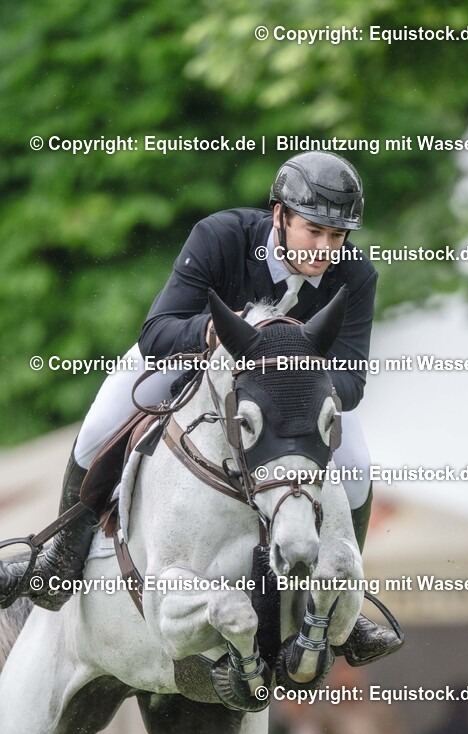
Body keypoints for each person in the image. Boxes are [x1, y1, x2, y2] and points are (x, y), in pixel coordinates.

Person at [0, 152, 401, 664]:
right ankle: (62, 554)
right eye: (314, 231)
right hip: (191, 361)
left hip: (294, 401)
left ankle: (345, 601)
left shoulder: (356, 275)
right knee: (100, 422)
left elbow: (350, 378)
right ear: (279, 215)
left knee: (359, 468)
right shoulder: (221, 237)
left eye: (337, 236)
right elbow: (157, 332)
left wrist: (294, 380)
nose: (326, 249)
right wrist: (212, 331)